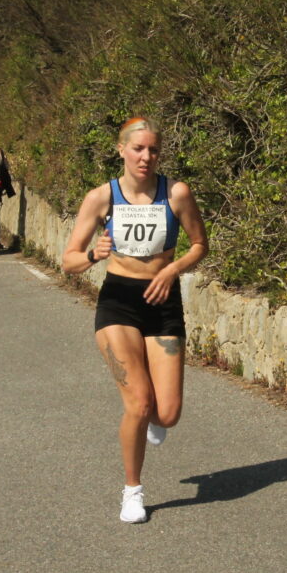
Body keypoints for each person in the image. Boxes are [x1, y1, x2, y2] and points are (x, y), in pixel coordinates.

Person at [61, 117, 208, 523]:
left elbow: (200, 244)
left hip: (163, 303)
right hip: (118, 304)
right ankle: (132, 491)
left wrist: (171, 270)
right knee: (139, 402)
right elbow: (69, 259)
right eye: (138, 149)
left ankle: (152, 421)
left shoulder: (176, 193)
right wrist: (95, 253)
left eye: (153, 150)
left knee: (168, 413)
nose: (146, 157)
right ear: (122, 150)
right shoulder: (101, 198)